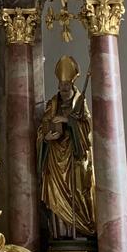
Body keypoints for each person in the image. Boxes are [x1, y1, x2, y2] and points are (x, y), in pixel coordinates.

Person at [36, 55, 95, 238]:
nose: (63, 90)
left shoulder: (80, 103)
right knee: (55, 195)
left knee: (76, 190)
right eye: (61, 87)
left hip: (74, 156)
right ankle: (60, 233)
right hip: (54, 156)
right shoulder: (53, 103)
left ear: (71, 85)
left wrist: (69, 121)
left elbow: (87, 128)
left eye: (66, 86)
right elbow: (42, 127)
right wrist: (45, 137)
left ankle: (79, 229)